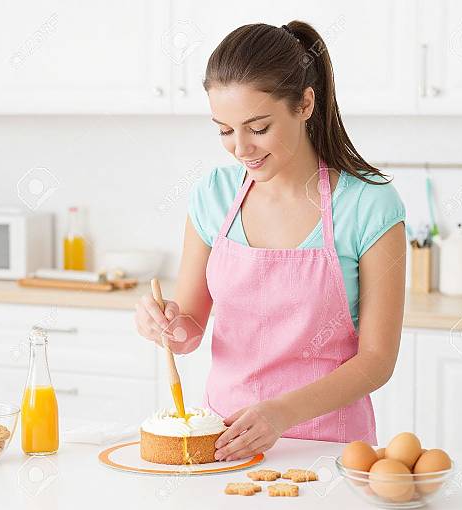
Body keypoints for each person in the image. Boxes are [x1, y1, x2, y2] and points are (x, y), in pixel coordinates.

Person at [135, 21, 406, 463]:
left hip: (330, 450)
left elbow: (377, 360)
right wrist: (165, 326)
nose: (240, 148)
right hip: (224, 442)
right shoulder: (213, 196)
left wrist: (279, 414)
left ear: (304, 104)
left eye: (258, 128)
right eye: (224, 130)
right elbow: (189, 328)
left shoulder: (369, 204)